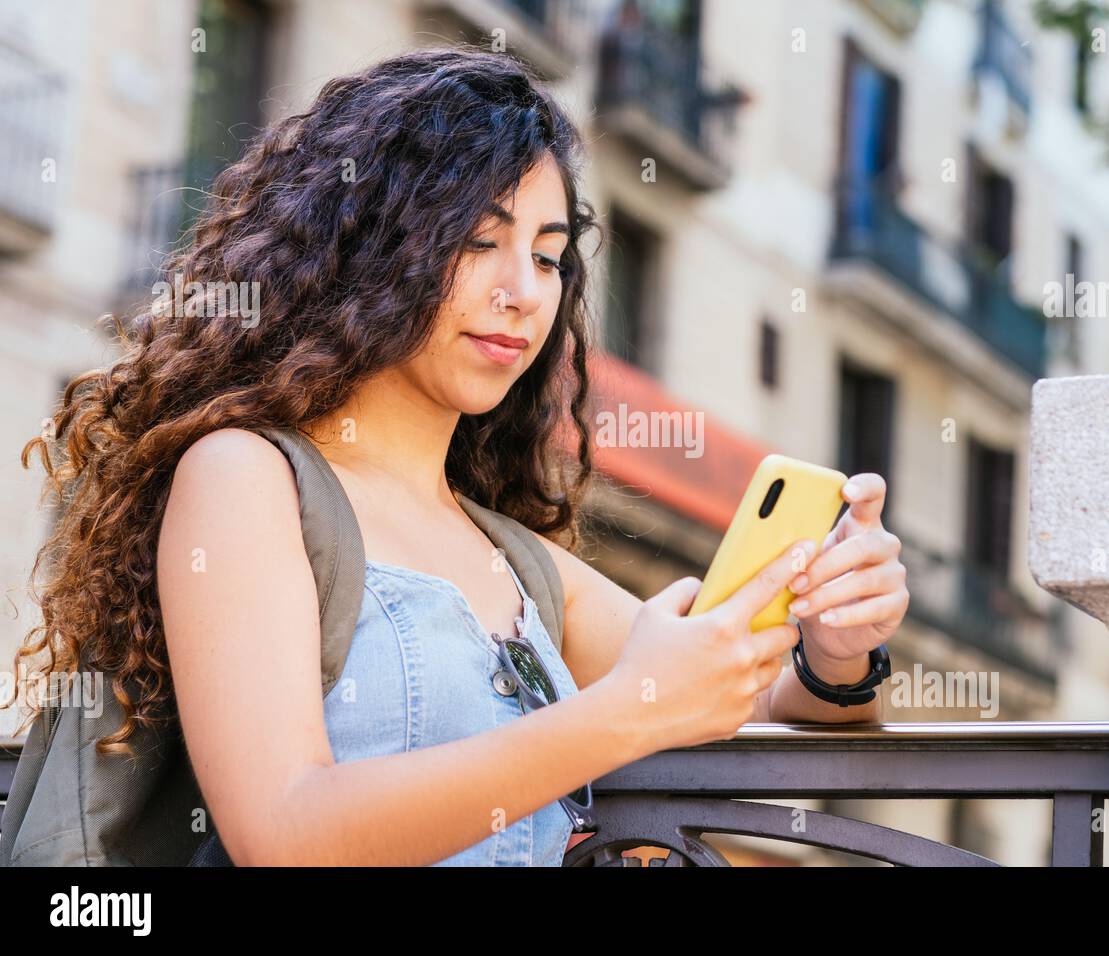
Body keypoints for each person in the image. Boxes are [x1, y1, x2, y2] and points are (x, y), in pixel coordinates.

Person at [11, 46, 909, 866]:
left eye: (550, 258)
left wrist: (838, 651)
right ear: (365, 246)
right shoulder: (247, 478)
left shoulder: (511, 557)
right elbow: (282, 832)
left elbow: (735, 699)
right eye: (479, 243)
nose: (522, 294)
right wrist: (622, 711)